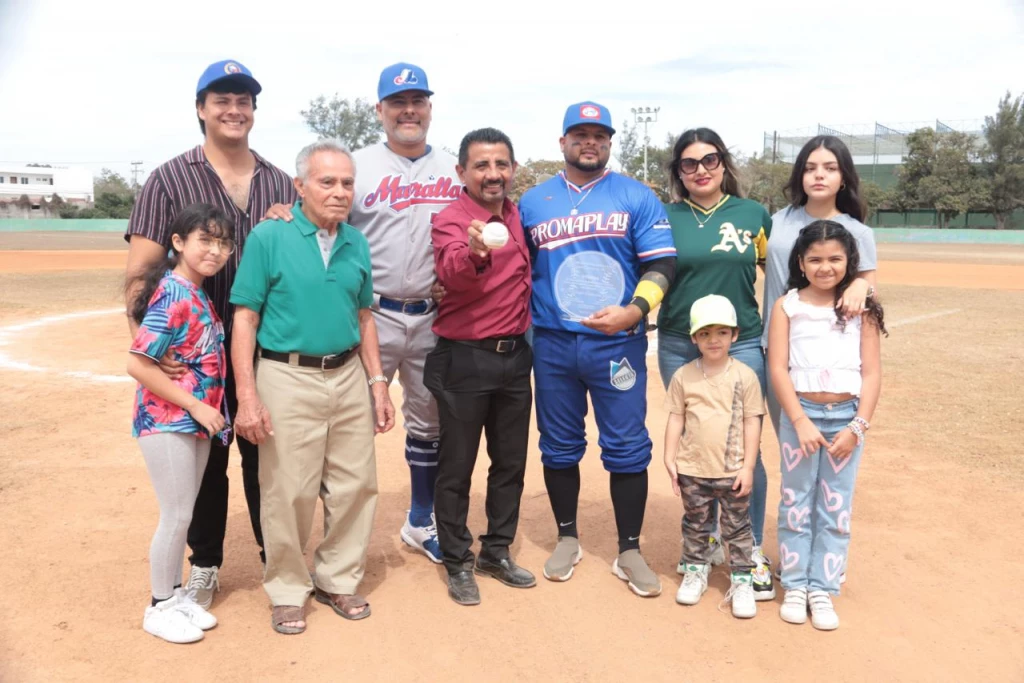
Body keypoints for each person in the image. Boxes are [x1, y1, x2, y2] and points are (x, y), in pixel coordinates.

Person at [261, 62, 459, 562]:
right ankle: (330, 539)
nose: (408, 110)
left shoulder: (453, 168)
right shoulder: (359, 165)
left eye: (417, 101)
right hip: (367, 315)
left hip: (433, 316)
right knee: (339, 425)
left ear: (430, 109)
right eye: (397, 102)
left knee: (428, 422)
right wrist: (282, 210)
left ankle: (420, 519)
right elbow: (313, 208)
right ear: (381, 110)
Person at [124, 59, 297, 609]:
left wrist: (292, 220)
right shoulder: (168, 178)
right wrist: (152, 350)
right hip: (194, 356)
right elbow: (138, 278)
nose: (234, 109)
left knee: (266, 457)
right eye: (221, 99)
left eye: (244, 100)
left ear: (254, 111)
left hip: (265, 347)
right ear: (201, 109)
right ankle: (204, 564)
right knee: (203, 465)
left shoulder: (278, 180)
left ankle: (278, 556)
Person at [229, 140, 395, 635]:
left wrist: (378, 382)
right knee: (287, 489)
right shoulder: (269, 236)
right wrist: (247, 396)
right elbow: (245, 317)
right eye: (327, 182)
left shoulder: (356, 242)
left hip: (346, 374)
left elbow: (363, 316)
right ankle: (286, 588)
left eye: (347, 182)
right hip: (285, 374)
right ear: (299, 186)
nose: (340, 191)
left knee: (355, 484)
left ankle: (337, 578)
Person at [518, 101, 677, 598]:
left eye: (599, 135)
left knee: (628, 447)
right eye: (580, 134)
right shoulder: (533, 202)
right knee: (559, 444)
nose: (590, 142)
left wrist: (635, 309)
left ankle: (628, 548)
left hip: (618, 344)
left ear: (609, 142)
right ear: (562, 142)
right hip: (553, 343)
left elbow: (662, 266)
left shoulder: (636, 195)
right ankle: (567, 537)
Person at [656, 128, 776, 600]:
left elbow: (781, 272)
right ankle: (703, 543)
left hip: (742, 341)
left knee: (745, 448)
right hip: (678, 343)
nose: (700, 170)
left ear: (724, 164)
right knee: (696, 441)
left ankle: (752, 549)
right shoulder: (665, 217)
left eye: (709, 160)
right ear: (678, 172)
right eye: (689, 163)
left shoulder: (752, 215)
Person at [425, 127, 535, 606]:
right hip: (465, 358)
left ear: (512, 169)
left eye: (501, 164)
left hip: (516, 357)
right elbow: (450, 269)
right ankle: (456, 560)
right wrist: (474, 252)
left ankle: (496, 551)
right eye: (482, 166)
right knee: (457, 466)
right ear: (462, 172)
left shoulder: (517, 213)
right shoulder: (452, 219)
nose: (493, 174)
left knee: (510, 463)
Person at [766, 220, 885, 631]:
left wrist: (857, 427)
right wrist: (797, 420)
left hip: (846, 420)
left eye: (835, 258)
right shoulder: (788, 305)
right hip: (801, 420)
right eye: (815, 259)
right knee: (796, 502)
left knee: (835, 507)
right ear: (800, 261)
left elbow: (871, 374)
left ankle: (823, 587)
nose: (825, 267)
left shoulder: (860, 308)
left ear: (849, 261)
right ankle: (796, 584)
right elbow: (777, 368)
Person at [125, 203, 235, 643]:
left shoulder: (196, 290)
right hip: (168, 418)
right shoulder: (172, 292)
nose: (215, 250)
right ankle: (158, 606)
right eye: (205, 240)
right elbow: (138, 364)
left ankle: (174, 597)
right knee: (175, 516)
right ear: (178, 243)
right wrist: (197, 406)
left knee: (184, 513)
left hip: (193, 420)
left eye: (223, 243)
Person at [662, 295, 764, 619]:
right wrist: (669, 457)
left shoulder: (745, 376)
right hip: (693, 469)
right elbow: (676, 417)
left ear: (734, 334)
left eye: (721, 332)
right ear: (694, 338)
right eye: (704, 334)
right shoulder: (683, 376)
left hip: (732, 470)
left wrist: (748, 467)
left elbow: (752, 421)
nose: (713, 340)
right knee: (696, 524)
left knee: (737, 528)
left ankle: (742, 580)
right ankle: (695, 570)